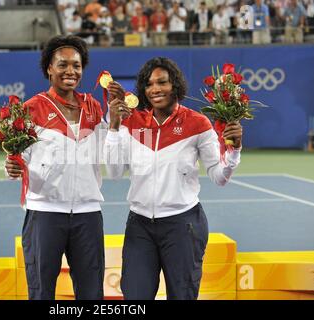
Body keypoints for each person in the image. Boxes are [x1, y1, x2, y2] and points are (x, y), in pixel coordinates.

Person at [103, 57, 243, 300]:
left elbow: (219, 177)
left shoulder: (197, 124)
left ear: (175, 85)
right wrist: (114, 127)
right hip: (140, 226)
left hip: (183, 226)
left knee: (182, 296)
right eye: (149, 84)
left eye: (162, 82)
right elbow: (114, 173)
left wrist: (234, 151)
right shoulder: (134, 122)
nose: (155, 89)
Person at [5, 35, 124, 300]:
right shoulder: (31, 109)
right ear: (49, 68)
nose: (70, 71)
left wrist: (114, 124)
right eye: (63, 65)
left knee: (92, 293)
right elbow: (15, 159)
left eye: (77, 65)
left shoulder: (93, 108)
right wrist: (10, 167)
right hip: (45, 214)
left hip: (88, 214)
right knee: (41, 292)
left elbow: (111, 160)